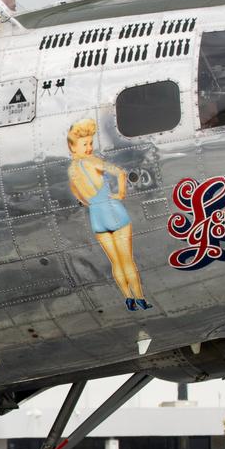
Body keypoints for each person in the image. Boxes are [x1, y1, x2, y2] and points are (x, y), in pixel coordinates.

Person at [67, 118, 148, 311]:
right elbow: (120, 172)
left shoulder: (71, 171)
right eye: (85, 144)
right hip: (113, 212)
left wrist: (93, 203)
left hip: (97, 217)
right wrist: (120, 194)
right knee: (128, 261)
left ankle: (128, 298)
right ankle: (141, 299)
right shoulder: (93, 161)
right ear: (74, 147)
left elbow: (78, 195)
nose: (89, 147)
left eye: (90, 143)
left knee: (116, 263)